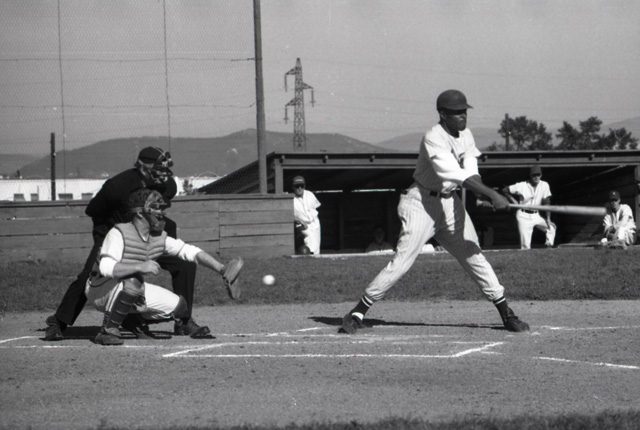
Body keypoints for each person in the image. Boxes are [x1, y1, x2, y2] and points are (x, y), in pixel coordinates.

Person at [341, 89, 529, 334]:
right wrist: (492, 194)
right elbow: (453, 173)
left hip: (450, 203)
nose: (463, 116)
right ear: (442, 115)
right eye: (457, 112)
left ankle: (506, 314)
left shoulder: (466, 135)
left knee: (474, 254)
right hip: (421, 203)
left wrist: (485, 193)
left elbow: (471, 172)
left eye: (464, 111)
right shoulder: (433, 137)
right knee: (402, 262)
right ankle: (357, 312)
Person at [45, 147, 210, 341]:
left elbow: (159, 214)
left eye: (165, 170)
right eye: (158, 169)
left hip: (147, 237)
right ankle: (58, 323)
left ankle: (184, 321)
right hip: (114, 235)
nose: (164, 175)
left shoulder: (168, 186)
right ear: (143, 167)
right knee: (90, 274)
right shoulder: (117, 187)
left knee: (185, 264)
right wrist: (105, 240)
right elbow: (93, 210)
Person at [86, 188, 244, 345]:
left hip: (125, 287)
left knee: (180, 308)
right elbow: (106, 268)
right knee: (133, 281)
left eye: (160, 208)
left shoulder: (158, 237)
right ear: (140, 213)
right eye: (155, 208)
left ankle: (129, 319)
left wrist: (221, 269)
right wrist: (140, 267)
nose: (160, 212)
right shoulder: (119, 233)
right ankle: (106, 331)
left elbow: (189, 251)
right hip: (99, 288)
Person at [502, 166, 556, 249]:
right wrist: (514, 201)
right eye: (534, 175)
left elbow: (547, 202)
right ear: (530, 175)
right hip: (523, 215)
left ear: (541, 175)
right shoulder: (522, 185)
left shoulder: (544, 185)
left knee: (551, 227)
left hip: (536, 215)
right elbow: (505, 190)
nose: (536, 177)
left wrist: (548, 219)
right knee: (525, 246)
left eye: (538, 175)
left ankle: (548, 247)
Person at [291, 175, 321, 255]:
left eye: (302, 186)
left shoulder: (310, 194)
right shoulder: (291, 199)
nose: (300, 188)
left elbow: (316, 207)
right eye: (297, 186)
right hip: (301, 223)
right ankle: (309, 254)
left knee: (316, 243)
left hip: (314, 222)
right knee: (309, 238)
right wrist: (297, 220)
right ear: (293, 187)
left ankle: (315, 256)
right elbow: (286, 215)